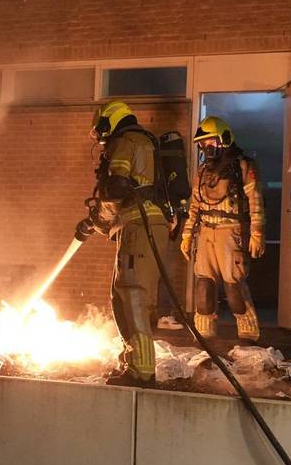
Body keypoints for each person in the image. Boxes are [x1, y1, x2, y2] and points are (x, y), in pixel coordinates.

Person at [76, 100, 171, 387]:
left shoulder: (127, 141)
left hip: (138, 225)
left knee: (133, 294)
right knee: (123, 296)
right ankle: (132, 362)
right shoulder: (138, 140)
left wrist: (95, 221)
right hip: (136, 225)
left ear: (109, 122)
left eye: (100, 129)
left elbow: (115, 189)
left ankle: (142, 372)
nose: (100, 136)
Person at [179, 116, 265, 342]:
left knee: (234, 286)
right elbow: (195, 206)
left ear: (225, 139)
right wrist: (187, 235)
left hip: (232, 232)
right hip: (206, 232)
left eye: (212, 143)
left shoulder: (243, 166)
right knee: (204, 287)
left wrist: (257, 233)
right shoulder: (202, 172)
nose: (207, 149)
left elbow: (255, 201)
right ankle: (205, 337)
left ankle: (248, 335)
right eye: (203, 145)